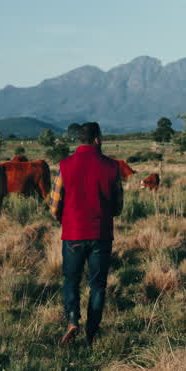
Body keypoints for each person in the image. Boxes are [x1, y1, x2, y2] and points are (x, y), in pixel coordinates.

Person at [49, 122, 124, 346]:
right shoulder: (112, 167)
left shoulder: (65, 165)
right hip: (101, 234)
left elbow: (54, 205)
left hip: (73, 234)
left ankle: (72, 320)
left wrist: (66, 220)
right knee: (98, 285)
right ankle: (91, 333)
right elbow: (118, 206)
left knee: (71, 280)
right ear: (97, 139)